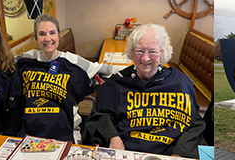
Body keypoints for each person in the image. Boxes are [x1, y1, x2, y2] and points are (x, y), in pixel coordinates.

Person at [84, 24, 205, 158]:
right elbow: (100, 115)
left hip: (170, 152)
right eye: (140, 51)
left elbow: (194, 122)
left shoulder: (180, 83)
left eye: (152, 52)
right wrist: (113, 137)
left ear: (163, 53)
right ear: (131, 51)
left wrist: (180, 152)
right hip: (128, 152)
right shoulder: (117, 83)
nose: (145, 58)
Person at [13, 14, 96, 142]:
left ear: (58, 35)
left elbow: (103, 69)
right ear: (35, 38)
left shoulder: (72, 61)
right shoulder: (26, 60)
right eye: (41, 34)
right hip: (30, 134)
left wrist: (136, 67)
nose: (47, 38)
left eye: (52, 33)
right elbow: (5, 63)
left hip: (64, 133)